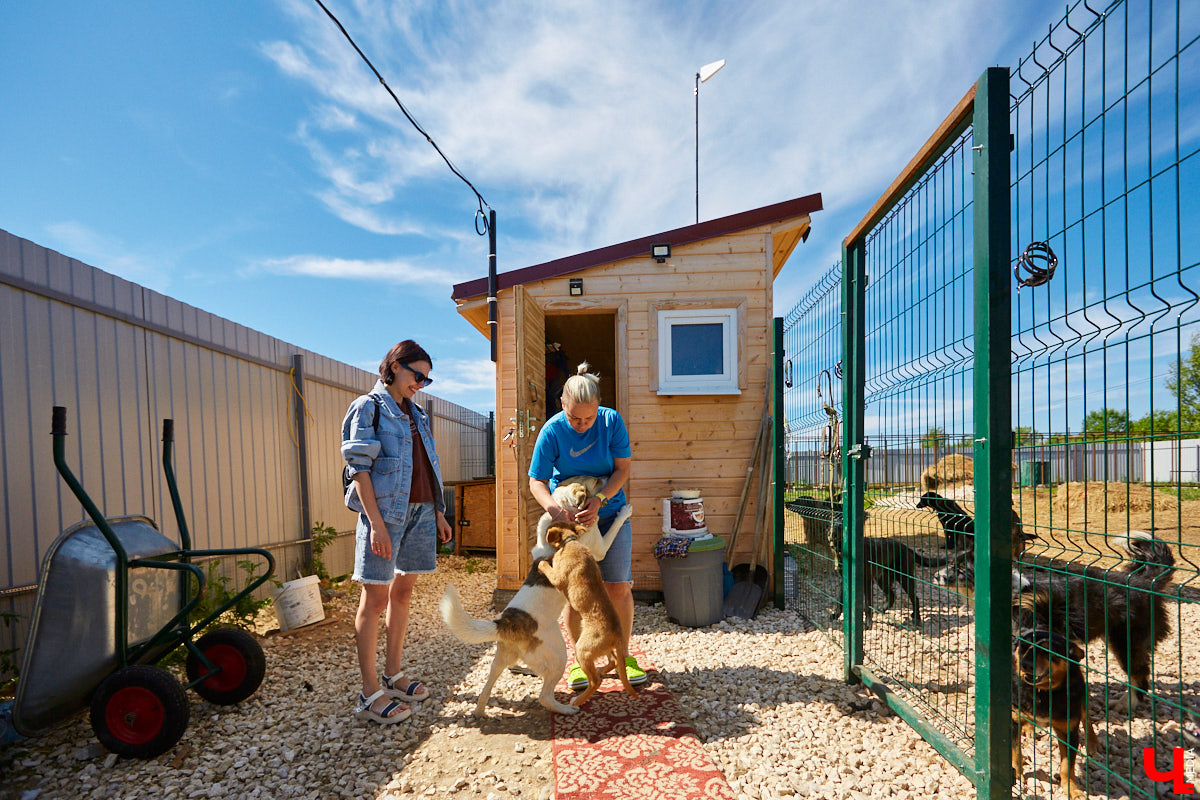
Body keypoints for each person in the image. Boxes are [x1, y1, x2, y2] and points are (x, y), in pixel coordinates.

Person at [341, 340, 453, 723]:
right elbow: (359, 470)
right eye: (416, 375)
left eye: (426, 378)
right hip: (386, 515)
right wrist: (375, 524)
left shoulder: (417, 414)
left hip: (421, 512)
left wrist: (439, 512)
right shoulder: (368, 407)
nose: (420, 383)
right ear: (394, 366)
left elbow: (427, 467)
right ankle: (369, 692)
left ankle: (393, 673)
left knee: (402, 593)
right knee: (375, 600)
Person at [528, 362, 648, 690]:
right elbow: (536, 481)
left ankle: (623, 655)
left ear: (599, 408)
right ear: (562, 405)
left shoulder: (611, 422)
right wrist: (554, 509)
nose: (581, 425)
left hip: (609, 512)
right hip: (569, 522)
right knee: (578, 592)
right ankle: (583, 663)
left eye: (588, 418)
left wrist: (600, 501)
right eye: (574, 418)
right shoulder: (552, 431)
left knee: (618, 586)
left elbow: (622, 469)